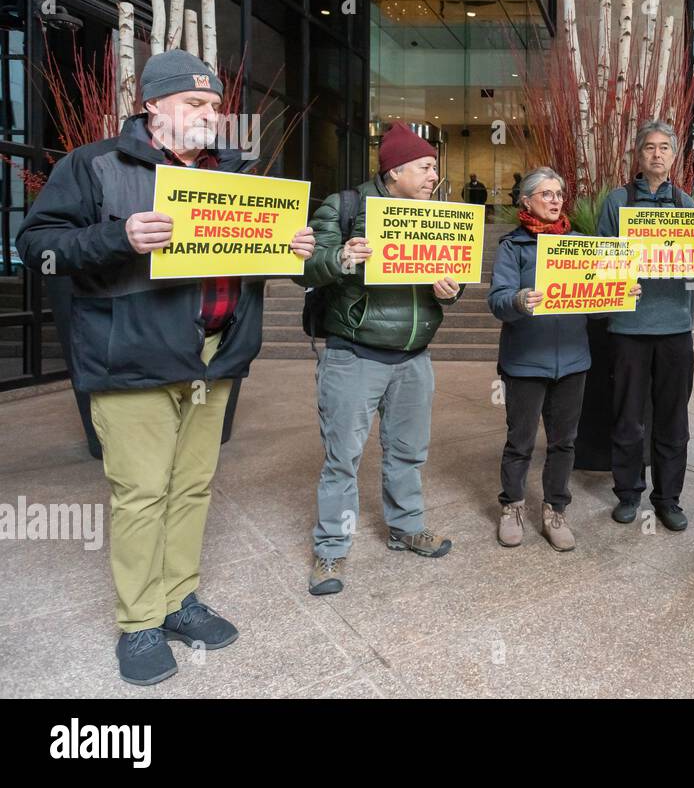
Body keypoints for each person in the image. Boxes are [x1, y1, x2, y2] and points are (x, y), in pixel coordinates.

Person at [16, 49, 316, 685]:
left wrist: (291, 251)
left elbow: (252, 260)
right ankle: (139, 622)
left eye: (214, 105)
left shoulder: (238, 176)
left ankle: (179, 600)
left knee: (192, 486)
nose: (210, 115)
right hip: (132, 355)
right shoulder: (95, 165)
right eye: (194, 104)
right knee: (141, 493)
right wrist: (117, 237)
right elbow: (37, 247)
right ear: (152, 106)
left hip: (215, 354)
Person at [299, 123, 462, 596]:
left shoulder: (438, 216)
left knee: (409, 451)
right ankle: (331, 549)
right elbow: (305, 267)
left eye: (435, 167)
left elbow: (455, 280)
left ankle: (405, 526)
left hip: (414, 357)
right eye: (426, 167)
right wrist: (343, 258)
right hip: (355, 354)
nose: (434, 176)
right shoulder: (344, 206)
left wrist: (449, 291)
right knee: (342, 458)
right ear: (395, 171)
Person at [487, 167, 640, 550]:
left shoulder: (579, 244)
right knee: (520, 442)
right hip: (525, 362)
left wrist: (621, 295)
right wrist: (518, 301)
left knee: (564, 442)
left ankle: (555, 510)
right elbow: (497, 301)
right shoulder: (512, 247)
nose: (555, 200)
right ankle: (513, 506)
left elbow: (596, 309)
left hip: (573, 361)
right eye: (546, 194)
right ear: (526, 201)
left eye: (559, 194)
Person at [596, 120, 694, 531]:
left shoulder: (690, 206)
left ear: (675, 157)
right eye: (649, 148)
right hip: (627, 329)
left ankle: (669, 498)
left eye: (664, 148)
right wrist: (619, 278)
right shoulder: (617, 202)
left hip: (674, 329)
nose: (656, 154)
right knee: (628, 417)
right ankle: (628, 493)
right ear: (639, 156)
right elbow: (599, 261)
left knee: (673, 419)